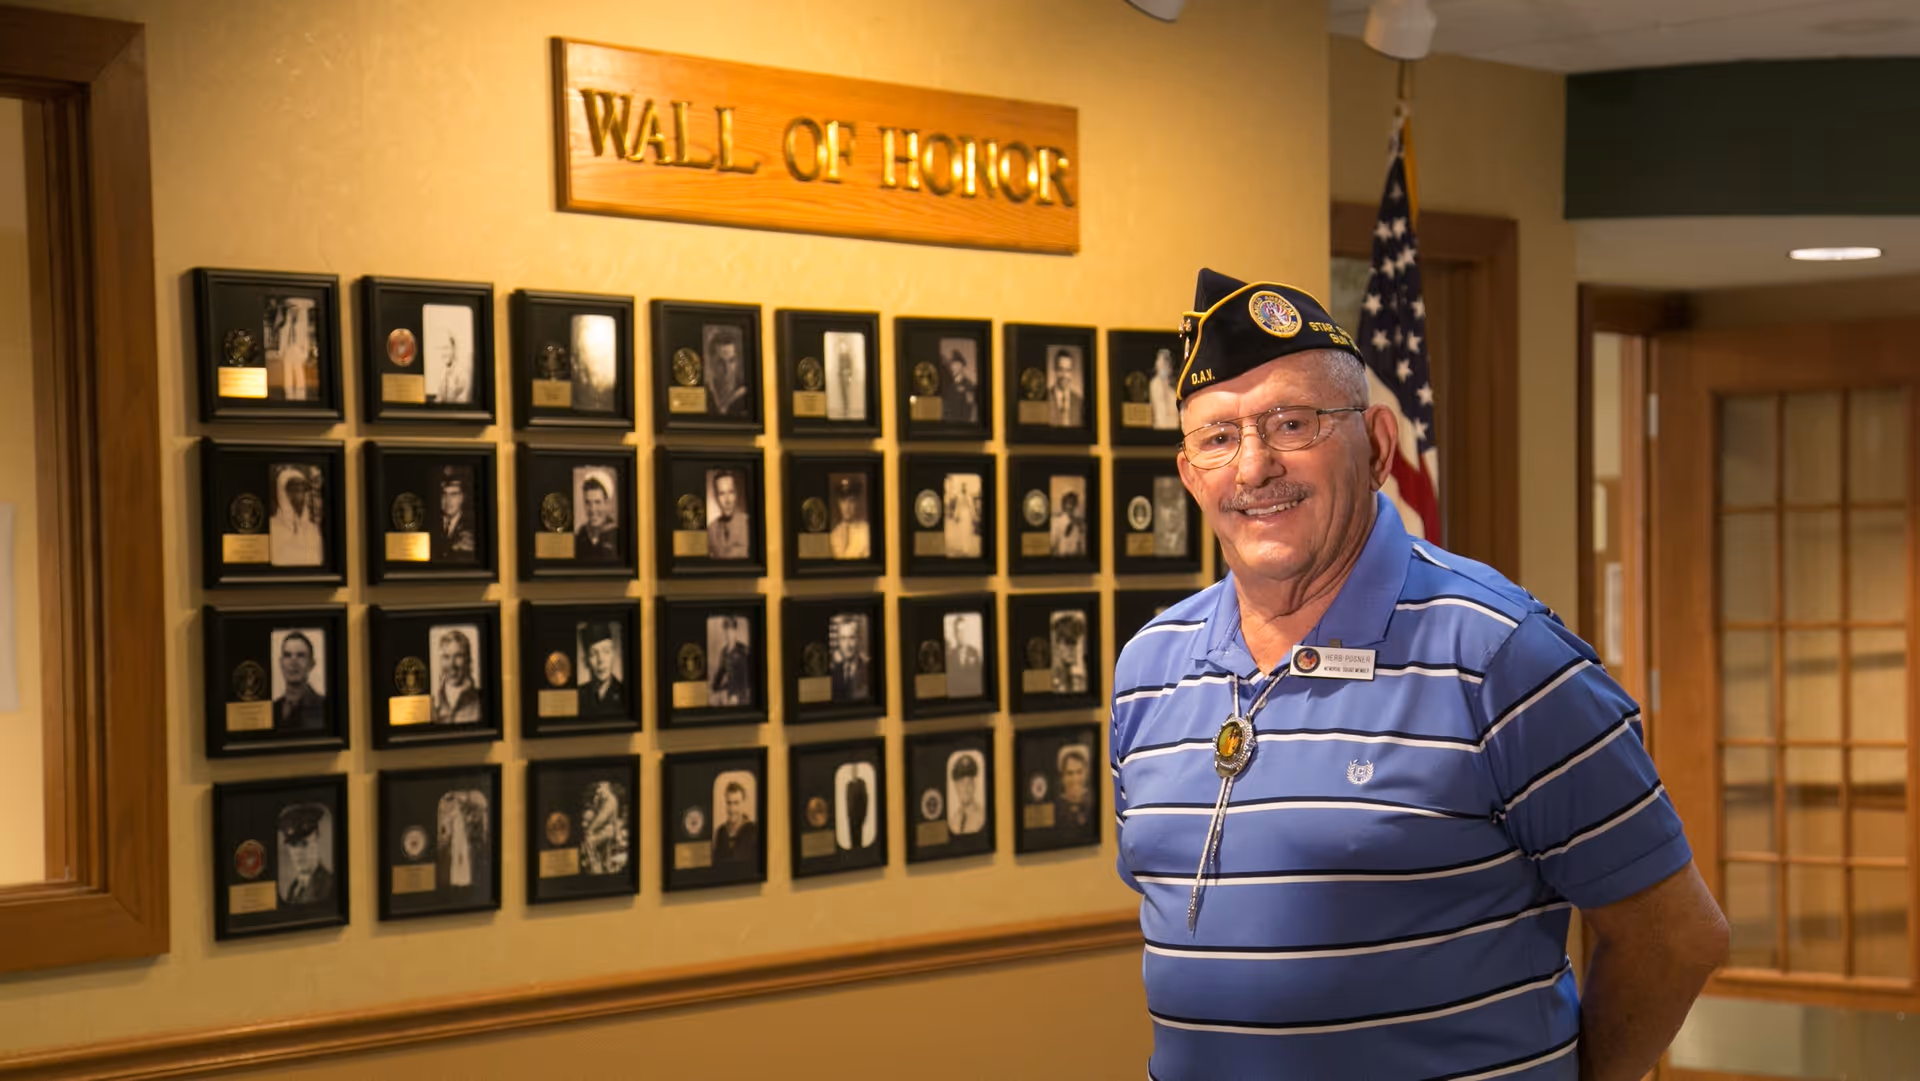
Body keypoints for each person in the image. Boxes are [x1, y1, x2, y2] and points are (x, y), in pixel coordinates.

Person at [1110, 269, 1727, 1081]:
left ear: (1376, 446)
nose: (1253, 467)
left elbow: (1676, 937)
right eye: (1219, 437)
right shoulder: (1149, 666)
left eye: (1291, 423)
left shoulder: (1502, 655)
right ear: (1190, 474)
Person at [277, 803, 334, 905]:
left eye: (304, 844)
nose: (298, 852)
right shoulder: (294, 888)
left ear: (316, 839)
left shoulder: (328, 885)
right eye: (293, 845)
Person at [269, 465, 323, 567]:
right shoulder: (272, 527)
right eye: (293, 490)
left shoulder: (313, 528)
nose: (298, 495)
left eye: (301, 490)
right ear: (282, 492)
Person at [272, 630, 326, 730]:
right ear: (281, 663)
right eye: (288, 655)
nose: (293, 662)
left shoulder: (325, 707)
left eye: (300, 655)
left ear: (311, 664)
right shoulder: (272, 709)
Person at [432, 629, 482, 725]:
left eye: (458, 656)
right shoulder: (434, 704)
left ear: (468, 660)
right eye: (446, 657)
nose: (451, 664)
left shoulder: (480, 702)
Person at [432, 468, 477, 562]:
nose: (448, 500)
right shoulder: (431, 523)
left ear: (462, 497)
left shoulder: (473, 526)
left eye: (454, 494)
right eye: (444, 494)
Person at [579, 622, 624, 716]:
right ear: (586, 661)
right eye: (593, 654)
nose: (601, 660)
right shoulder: (578, 695)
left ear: (613, 654)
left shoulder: (625, 693)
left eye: (606, 651)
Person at [709, 616, 752, 707]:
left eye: (731, 631)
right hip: (729, 688)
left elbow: (745, 676)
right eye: (726, 631)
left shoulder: (743, 651)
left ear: (735, 632)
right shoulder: (724, 651)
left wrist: (736, 694)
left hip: (741, 692)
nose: (729, 634)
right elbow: (721, 671)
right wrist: (713, 688)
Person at [574, 475, 618, 561]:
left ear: (606, 503)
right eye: (588, 503)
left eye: (597, 502)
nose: (592, 509)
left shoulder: (617, 533)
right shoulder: (580, 535)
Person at [707, 470, 750, 559]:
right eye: (722, 494)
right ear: (716, 497)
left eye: (731, 492)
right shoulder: (710, 530)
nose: (728, 500)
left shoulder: (749, 524)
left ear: (736, 495)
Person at [712, 781, 757, 864]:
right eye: (729, 803)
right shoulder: (720, 832)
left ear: (743, 803)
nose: (732, 809)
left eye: (736, 803)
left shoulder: (754, 832)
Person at [828, 475, 869, 560]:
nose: (847, 506)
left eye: (851, 501)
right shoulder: (834, 533)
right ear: (838, 503)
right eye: (843, 501)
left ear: (856, 503)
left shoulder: (866, 532)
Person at [706, 332, 747, 416]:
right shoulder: (705, 393)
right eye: (721, 363)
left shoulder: (746, 395)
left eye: (731, 361)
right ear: (711, 363)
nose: (727, 369)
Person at [830, 616, 869, 703]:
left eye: (851, 638)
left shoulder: (868, 670)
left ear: (858, 640)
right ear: (838, 642)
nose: (847, 645)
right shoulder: (833, 672)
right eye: (843, 638)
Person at [1053, 746, 1093, 831]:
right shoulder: (1055, 807)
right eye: (1070, 773)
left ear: (1086, 774)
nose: (1075, 779)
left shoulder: (1094, 803)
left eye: (1079, 772)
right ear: (1062, 777)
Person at [947, 753, 985, 835]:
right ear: (956, 787)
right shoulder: (953, 821)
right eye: (961, 783)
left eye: (969, 783)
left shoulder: (982, 818)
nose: (966, 788)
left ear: (974, 786)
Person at [939, 344, 977, 422]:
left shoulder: (968, 385)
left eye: (956, 364)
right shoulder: (948, 384)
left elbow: (969, 408)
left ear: (961, 366)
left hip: (961, 423)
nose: (953, 367)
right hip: (947, 423)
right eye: (952, 364)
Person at [1048, 347, 1084, 427]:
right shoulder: (1046, 398)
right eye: (1061, 369)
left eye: (1068, 370)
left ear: (1071, 372)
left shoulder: (1079, 402)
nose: (1064, 375)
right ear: (1055, 370)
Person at [1148, 347, 1179, 430]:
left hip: (1173, 428)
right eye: (1161, 362)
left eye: (1166, 363)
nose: (1164, 366)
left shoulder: (1174, 386)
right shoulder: (1154, 384)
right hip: (1159, 427)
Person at [1050, 488, 1086, 557]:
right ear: (1064, 505)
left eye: (1073, 503)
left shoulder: (1079, 523)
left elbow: (1082, 544)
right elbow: (1053, 544)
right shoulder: (1057, 522)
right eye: (1068, 503)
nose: (1071, 506)